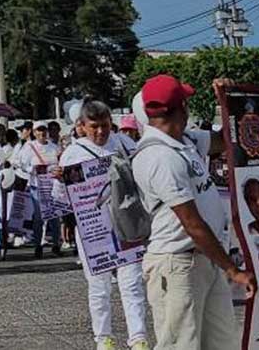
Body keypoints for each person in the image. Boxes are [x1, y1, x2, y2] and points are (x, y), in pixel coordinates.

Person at [132, 76, 254, 350]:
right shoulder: (160, 157)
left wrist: (229, 101)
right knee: (181, 345)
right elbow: (192, 223)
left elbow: (227, 140)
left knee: (224, 342)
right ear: (182, 107)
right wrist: (233, 269)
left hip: (204, 259)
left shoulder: (184, 140)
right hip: (177, 264)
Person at [60, 100, 154, 350]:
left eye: (105, 126)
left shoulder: (123, 143)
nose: (101, 132)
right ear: (81, 126)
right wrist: (61, 181)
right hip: (93, 228)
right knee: (99, 285)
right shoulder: (73, 153)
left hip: (127, 222)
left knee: (132, 282)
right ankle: (104, 338)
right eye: (94, 127)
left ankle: (139, 338)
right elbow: (62, 198)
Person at [14, 121, 62, 259]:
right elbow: (19, 163)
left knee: (54, 216)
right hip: (37, 186)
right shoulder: (29, 147)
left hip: (52, 185)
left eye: (44, 130)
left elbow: (60, 162)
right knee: (39, 217)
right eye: (39, 131)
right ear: (34, 133)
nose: (42, 133)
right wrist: (32, 170)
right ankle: (38, 245)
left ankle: (56, 244)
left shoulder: (54, 147)